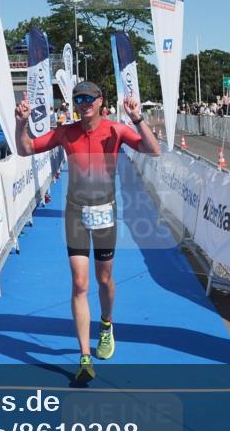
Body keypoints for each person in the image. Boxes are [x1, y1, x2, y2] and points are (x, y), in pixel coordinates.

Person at [14, 80, 162, 383]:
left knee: (104, 279)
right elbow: (25, 148)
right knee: (80, 283)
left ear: (100, 101)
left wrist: (137, 118)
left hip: (105, 211)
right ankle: (84, 355)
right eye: (78, 99)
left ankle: (106, 324)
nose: (83, 104)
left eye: (88, 99)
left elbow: (153, 150)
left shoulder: (116, 130)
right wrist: (21, 124)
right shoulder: (65, 132)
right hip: (76, 214)